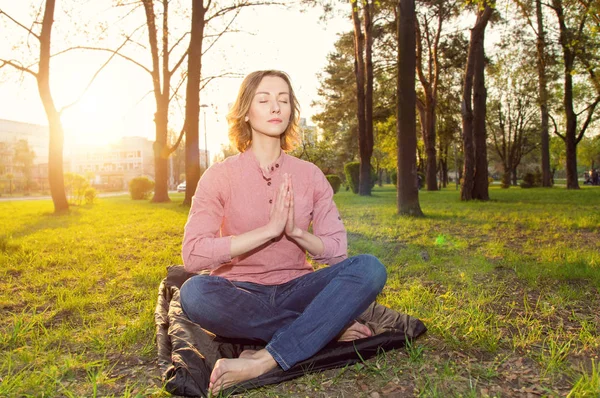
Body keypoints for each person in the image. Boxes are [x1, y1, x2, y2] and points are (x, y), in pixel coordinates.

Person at [179, 70, 387, 394]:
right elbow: (192, 254)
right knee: (194, 293)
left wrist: (296, 233)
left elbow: (337, 251)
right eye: (264, 100)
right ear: (246, 111)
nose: (275, 107)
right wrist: (267, 231)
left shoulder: (310, 175)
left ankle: (265, 358)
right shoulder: (218, 176)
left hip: (298, 289)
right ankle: (324, 328)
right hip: (241, 294)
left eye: (283, 100)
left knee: (369, 269)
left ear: (291, 111)